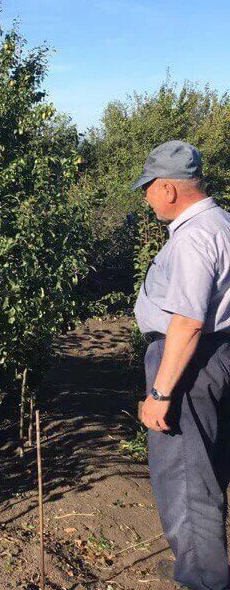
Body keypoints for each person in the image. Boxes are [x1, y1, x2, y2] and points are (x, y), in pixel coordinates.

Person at [134, 140, 230, 590]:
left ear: (169, 189)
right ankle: (201, 566)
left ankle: (202, 580)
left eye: (148, 187)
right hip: (216, 355)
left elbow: (188, 323)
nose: (146, 196)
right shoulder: (220, 222)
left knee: (187, 481)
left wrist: (160, 393)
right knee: (208, 470)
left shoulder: (194, 237)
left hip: (187, 365)